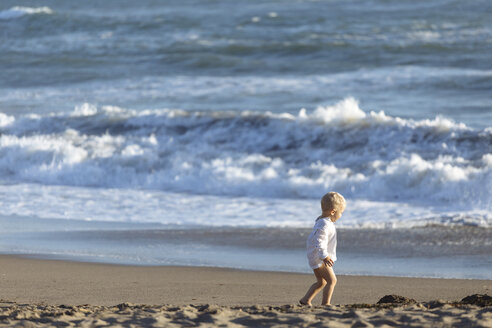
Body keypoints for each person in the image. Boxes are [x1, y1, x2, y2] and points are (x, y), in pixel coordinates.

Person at [300, 191, 346, 306]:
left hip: (315, 255)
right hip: (319, 257)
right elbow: (319, 241)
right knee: (332, 280)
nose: (341, 216)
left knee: (321, 282)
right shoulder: (325, 224)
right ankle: (326, 303)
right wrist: (324, 256)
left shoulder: (322, 220)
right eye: (341, 213)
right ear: (333, 211)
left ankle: (306, 300)